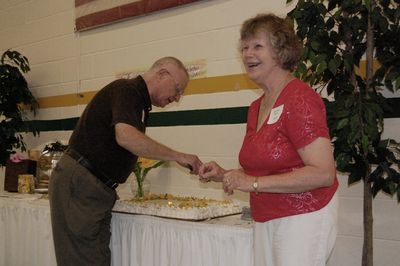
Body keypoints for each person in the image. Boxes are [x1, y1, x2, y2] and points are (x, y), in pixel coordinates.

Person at [199, 13, 339, 266]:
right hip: (266, 217)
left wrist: (251, 182)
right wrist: (227, 174)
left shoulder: (300, 99)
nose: (247, 54)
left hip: (303, 217)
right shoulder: (256, 107)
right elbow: (267, 167)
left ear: (280, 52)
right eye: (244, 48)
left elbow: (323, 174)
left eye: (257, 46)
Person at [49, 56, 203, 266]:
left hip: (95, 188)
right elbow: (126, 137)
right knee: (82, 260)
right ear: (162, 74)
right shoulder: (127, 90)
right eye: (177, 89)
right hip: (82, 183)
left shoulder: (138, 101)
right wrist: (178, 156)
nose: (177, 98)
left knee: (96, 259)